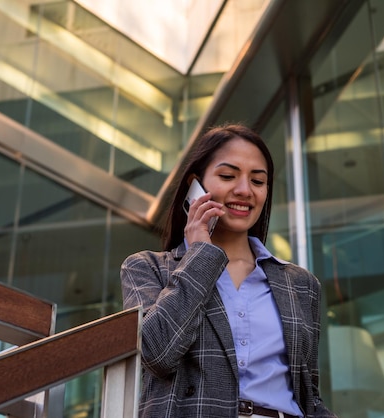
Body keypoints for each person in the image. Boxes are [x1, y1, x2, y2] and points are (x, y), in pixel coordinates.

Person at [120, 123, 337, 418]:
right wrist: (200, 256)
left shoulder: (300, 284)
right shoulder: (147, 268)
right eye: (227, 176)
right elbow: (157, 352)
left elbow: (308, 394)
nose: (244, 190)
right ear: (195, 186)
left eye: (258, 181)